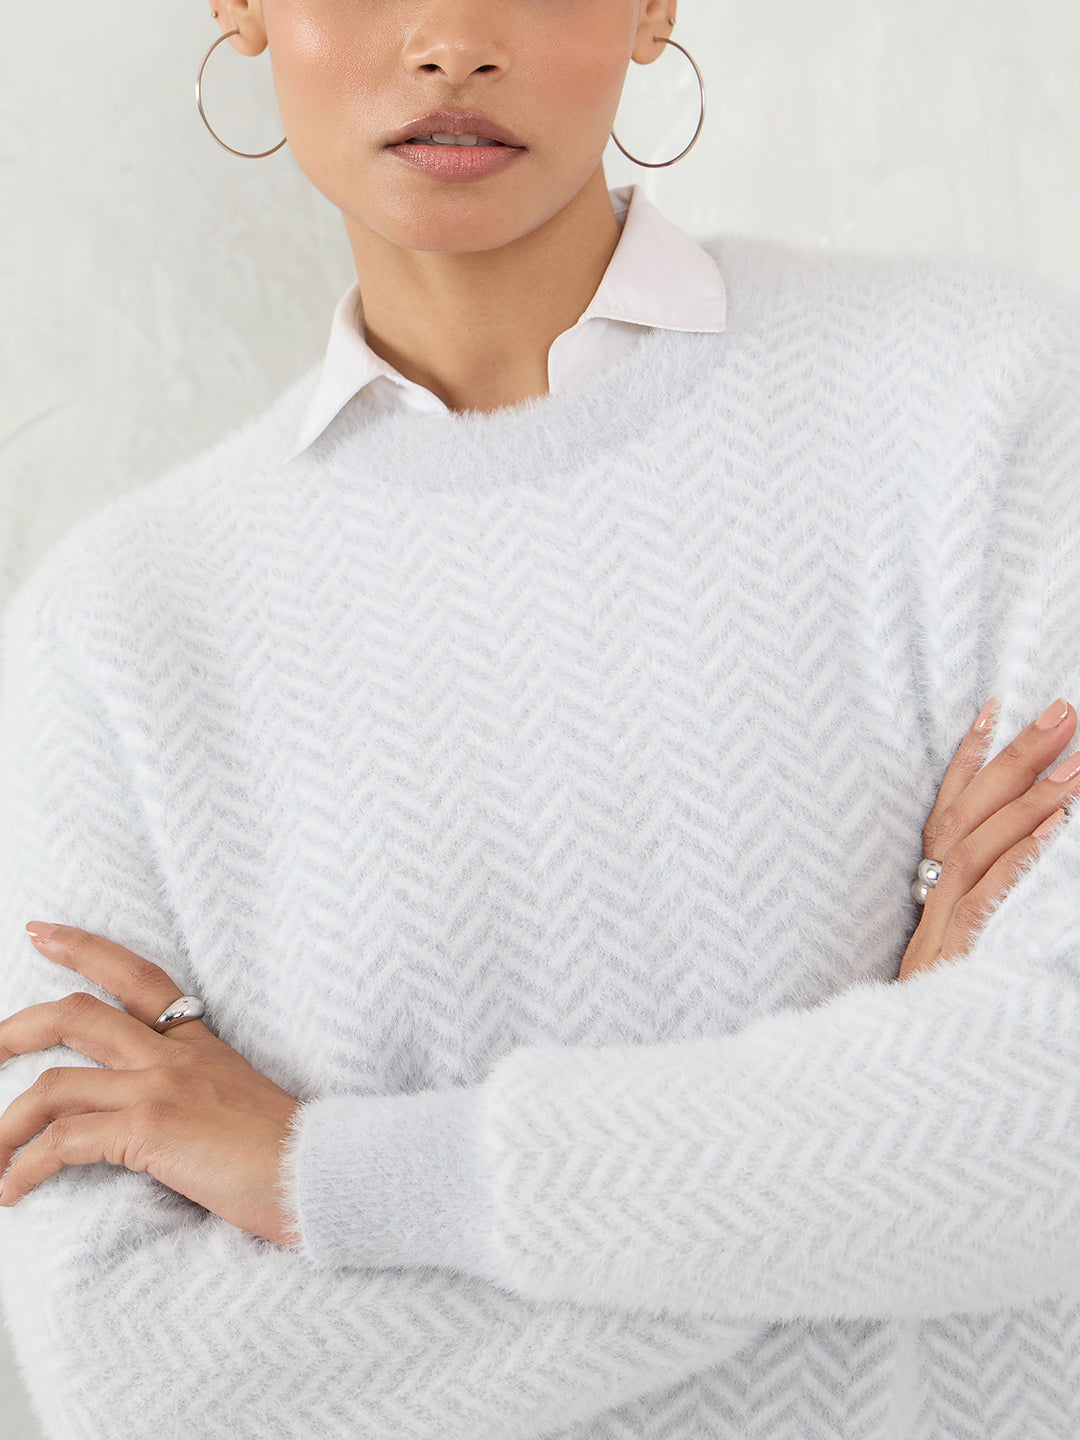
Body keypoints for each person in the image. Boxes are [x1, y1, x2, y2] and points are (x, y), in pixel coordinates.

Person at [1, 1, 1079, 1436]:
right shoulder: (116, 625)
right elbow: (142, 1376)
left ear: (651, 8)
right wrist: (876, 1126)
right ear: (244, 6)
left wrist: (326, 1178)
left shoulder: (988, 403)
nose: (451, 38)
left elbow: (1054, 1126)